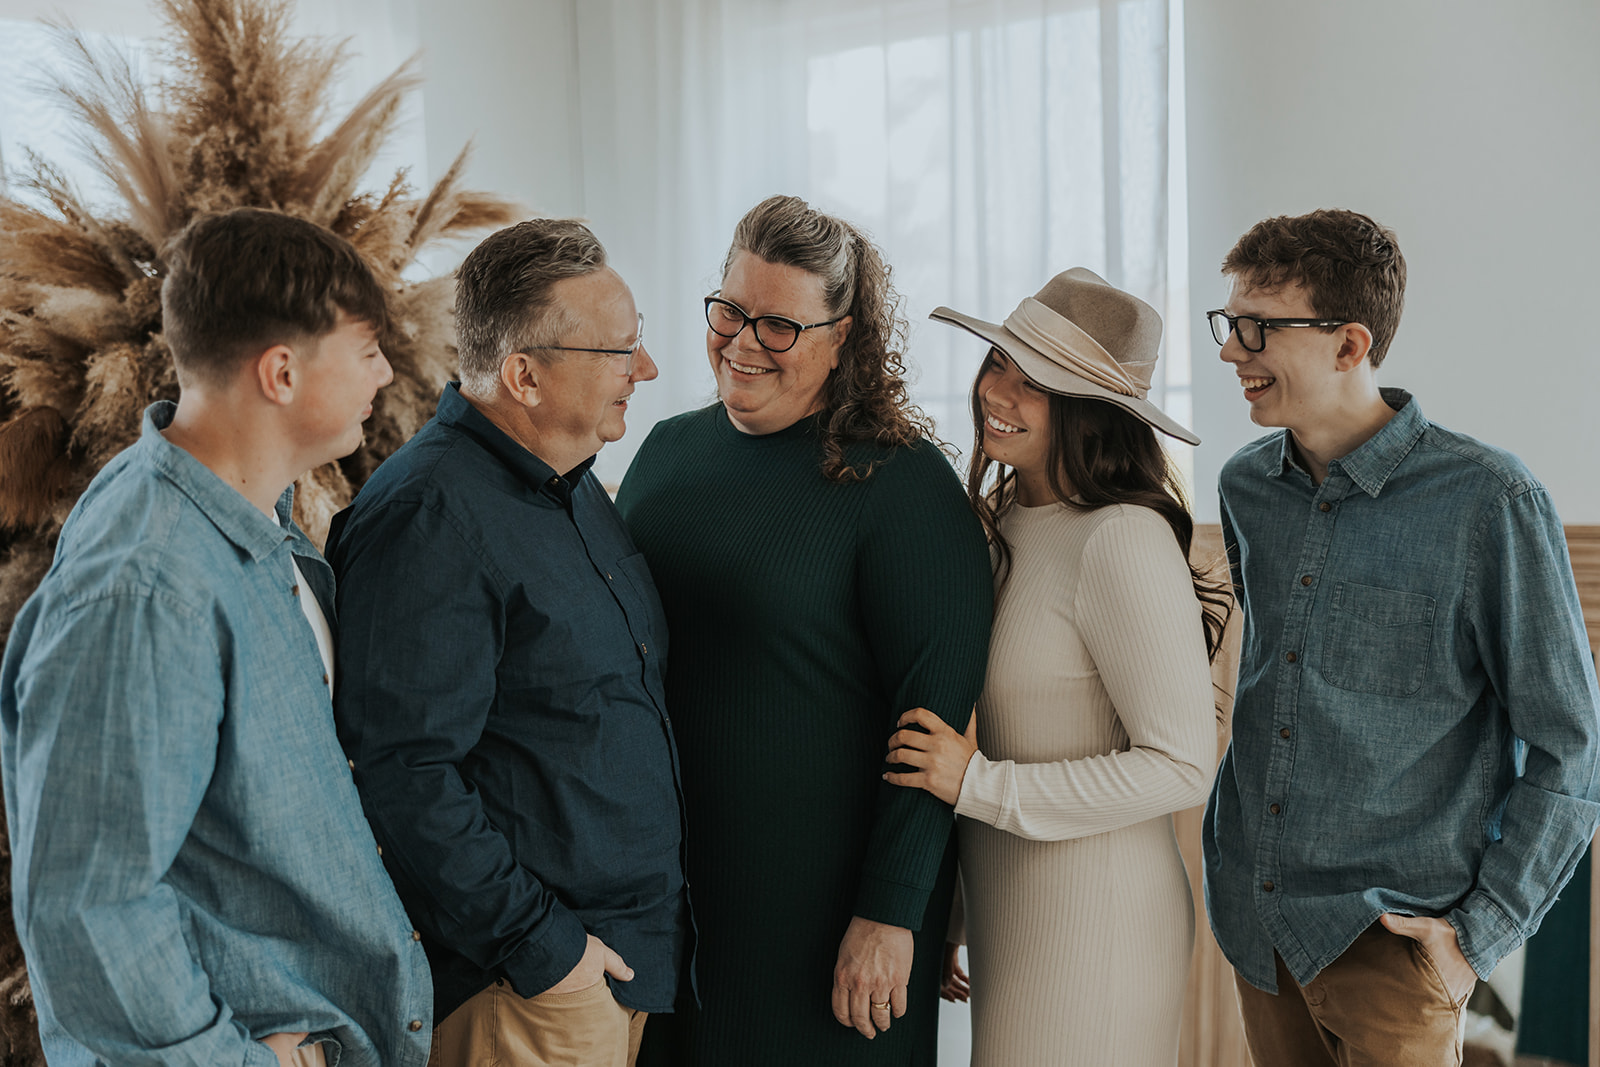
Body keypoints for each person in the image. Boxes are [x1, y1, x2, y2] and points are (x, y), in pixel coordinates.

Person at [0, 207, 430, 1067]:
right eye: (366, 348)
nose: (384, 371)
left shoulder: (244, 512)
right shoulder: (147, 585)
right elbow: (87, 902)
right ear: (280, 372)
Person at [1203, 208, 1600, 1066]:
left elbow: (1571, 745)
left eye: (1259, 327)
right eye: (1228, 324)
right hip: (1260, 929)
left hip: (1394, 945)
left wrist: (1475, 940)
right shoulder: (1246, 489)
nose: (1233, 351)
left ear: (1350, 344)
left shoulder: (1490, 501)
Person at [616, 194, 991, 1065]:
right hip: (671, 897)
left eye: (778, 326)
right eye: (730, 311)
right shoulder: (667, 452)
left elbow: (932, 719)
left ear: (844, 337)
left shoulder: (901, 485)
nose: (742, 342)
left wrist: (892, 909)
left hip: (828, 915)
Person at [327, 218, 687, 1067]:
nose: (647, 370)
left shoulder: (577, 486)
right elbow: (402, 773)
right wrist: (546, 950)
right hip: (525, 989)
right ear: (524, 374)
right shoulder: (429, 515)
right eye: (619, 352)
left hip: (614, 976)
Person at [884, 268, 1229, 1065]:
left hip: (1099, 924)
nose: (997, 391)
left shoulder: (1121, 538)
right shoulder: (1003, 519)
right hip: (1012, 913)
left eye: (1035, 381)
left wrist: (978, 785)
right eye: (999, 361)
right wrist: (955, 914)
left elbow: (1182, 765)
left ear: (1090, 411)